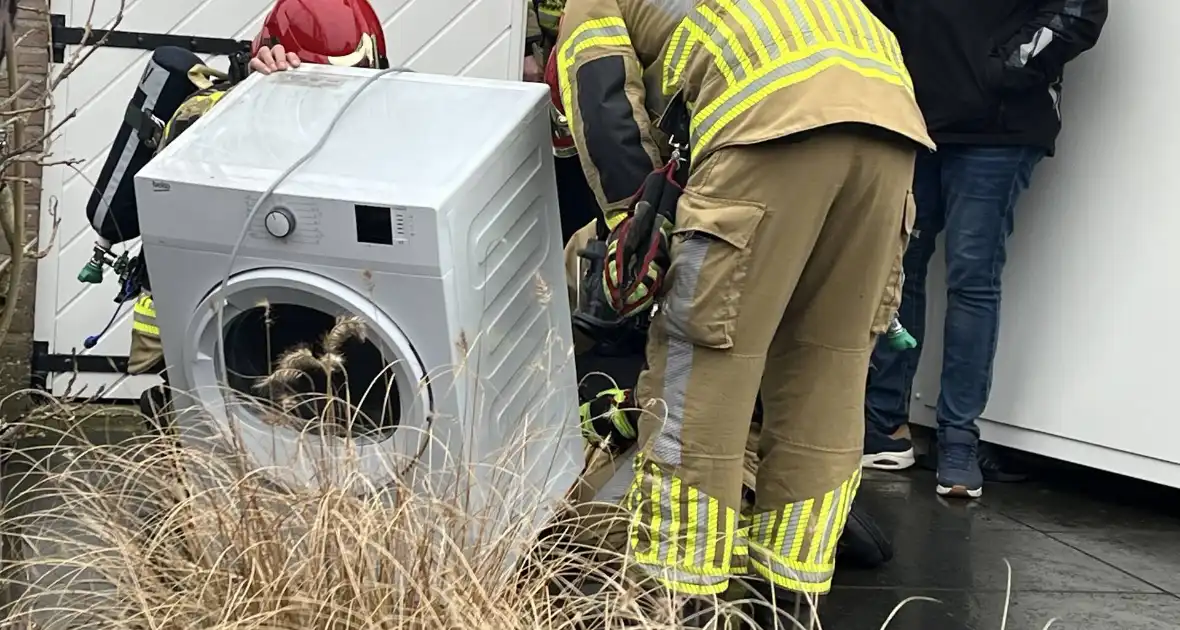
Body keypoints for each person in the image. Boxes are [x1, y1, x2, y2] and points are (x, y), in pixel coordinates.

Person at [556, 0, 932, 622]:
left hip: (765, 125)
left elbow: (602, 99)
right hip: (889, 127)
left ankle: (679, 594)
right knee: (829, 370)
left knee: (704, 369)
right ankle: (789, 594)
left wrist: (633, 223)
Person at [860, 0, 1108, 499]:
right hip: (907, 113)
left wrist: (1001, 71)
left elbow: (1080, 10)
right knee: (895, 270)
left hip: (999, 127)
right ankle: (885, 425)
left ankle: (957, 439)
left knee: (971, 279)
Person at [131, 0, 389, 422]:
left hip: (340, 339)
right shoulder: (210, 115)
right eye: (318, 82)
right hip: (238, 332)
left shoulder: (391, 118)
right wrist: (257, 97)